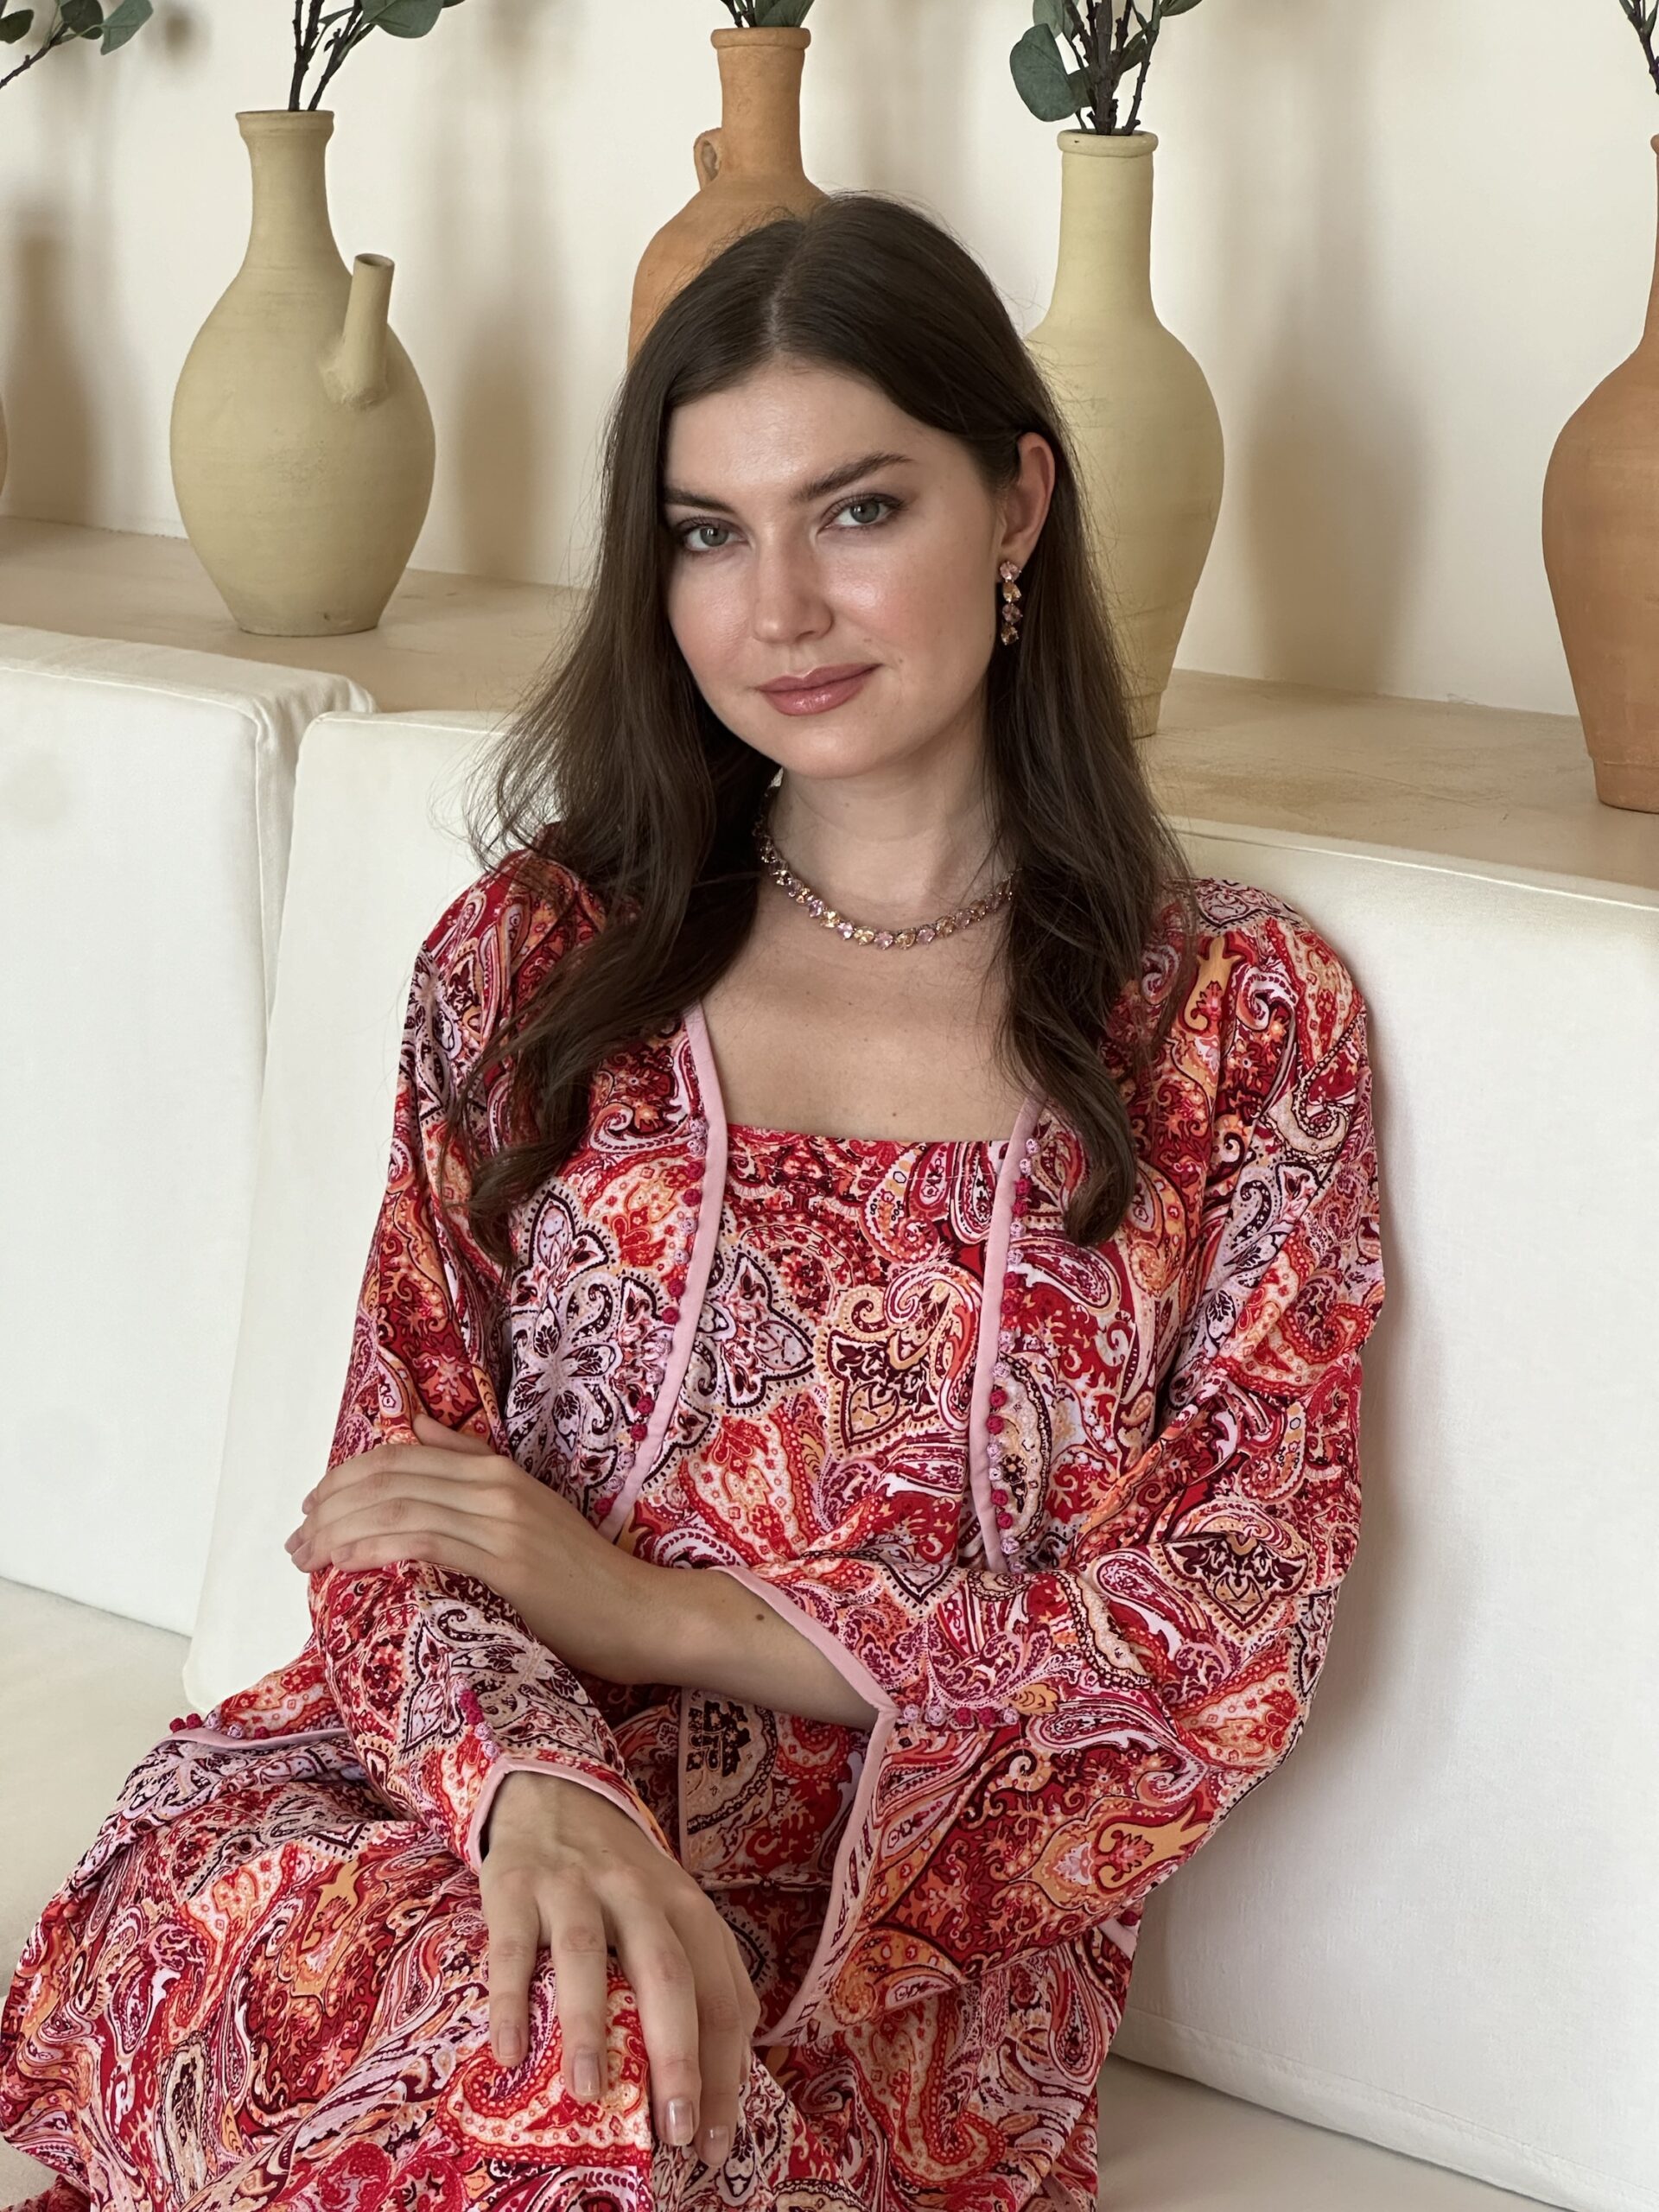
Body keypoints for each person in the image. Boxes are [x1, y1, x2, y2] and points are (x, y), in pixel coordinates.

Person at [0, 192, 1386, 2212]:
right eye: (707, 533)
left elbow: (1223, 1629)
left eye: (857, 510)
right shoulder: (539, 958)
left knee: (602, 2089)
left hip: (882, 1943)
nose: (779, 609)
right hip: (433, 1821)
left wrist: (652, 1610)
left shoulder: (1236, 1021)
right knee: (441, 2003)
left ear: (1018, 502)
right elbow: (393, 1510)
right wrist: (537, 1792)